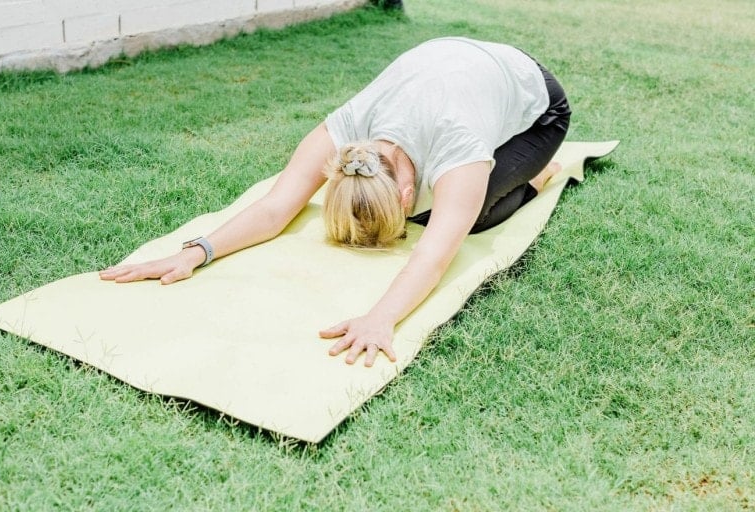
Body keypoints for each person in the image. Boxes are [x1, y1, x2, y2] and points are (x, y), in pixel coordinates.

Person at [99, 37, 571, 368]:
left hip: (537, 103)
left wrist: (380, 318)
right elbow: (274, 207)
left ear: (408, 195)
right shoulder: (347, 129)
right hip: (452, 68)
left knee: (462, 220)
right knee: (446, 212)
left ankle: (538, 172)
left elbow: (431, 257)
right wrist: (195, 252)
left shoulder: (458, 150)